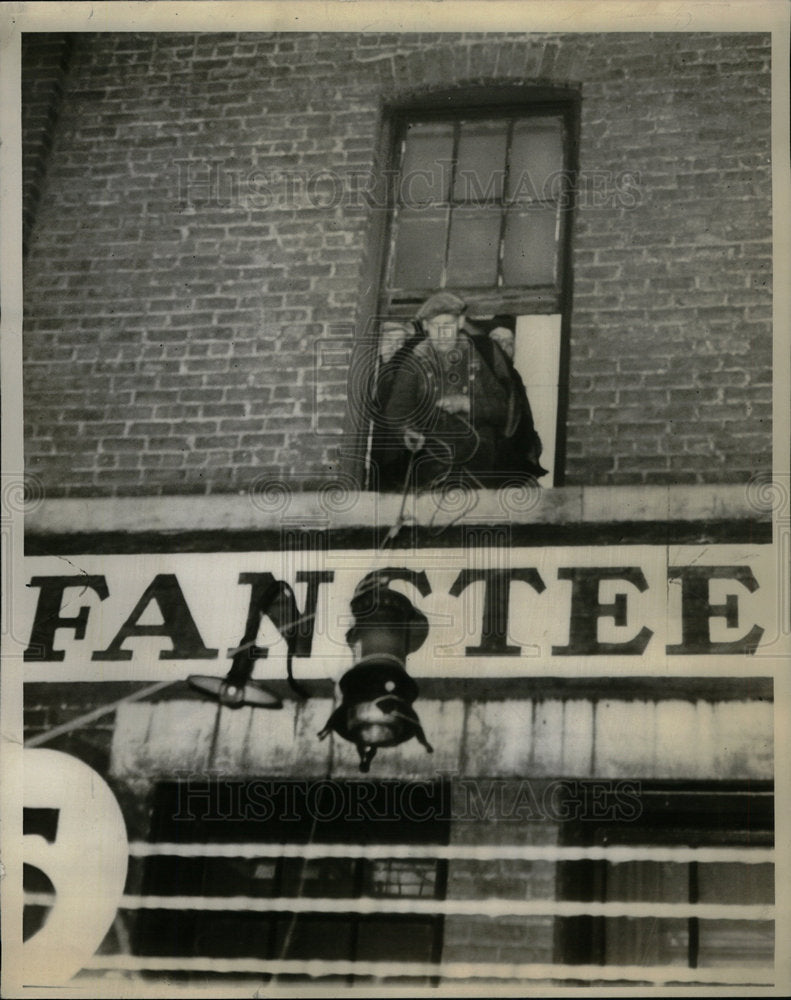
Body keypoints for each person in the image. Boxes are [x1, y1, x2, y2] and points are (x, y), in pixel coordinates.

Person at [373, 292, 548, 490]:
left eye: (448, 325)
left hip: (482, 465)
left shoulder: (482, 356)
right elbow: (397, 411)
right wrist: (406, 432)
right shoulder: (413, 362)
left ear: (460, 322)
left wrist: (468, 404)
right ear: (425, 327)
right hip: (431, 466)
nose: (443, 333)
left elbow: (504, 410)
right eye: (435, 327)